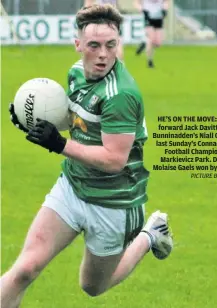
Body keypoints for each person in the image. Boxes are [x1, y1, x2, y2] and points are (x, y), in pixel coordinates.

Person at [1, 4, 173, 307]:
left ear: (118, 44)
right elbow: (77, 119)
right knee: (25, 269)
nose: (103, 54)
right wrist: (31, 120)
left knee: (92, 287)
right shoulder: (76, 73)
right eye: (94, 45)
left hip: (114, 202)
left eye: (111, 45)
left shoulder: (120, 95)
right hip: (73, 186)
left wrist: (59, 144)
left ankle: (149, 235)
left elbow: (113, 160)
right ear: (78, 45)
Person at [134, 0, 169, 68]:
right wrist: (141, 9)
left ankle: (144, 43)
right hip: (148, 17)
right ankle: (150, 61)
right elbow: (136, 2)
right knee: (151, 39)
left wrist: (165, 9)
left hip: (159, 18)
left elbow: (166, 2)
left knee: (158, 43)